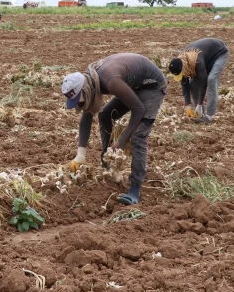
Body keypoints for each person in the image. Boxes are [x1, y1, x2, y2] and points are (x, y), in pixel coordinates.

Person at [61, 53, 167, 206]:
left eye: (78, 100)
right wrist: (80, 155)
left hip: (152, 86)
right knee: (105, 116)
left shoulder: (110, 81)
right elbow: (87, 113)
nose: (78, 105)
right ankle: (107, 165)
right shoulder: (90, 81)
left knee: (137, 136)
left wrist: (121, 142)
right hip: (133, 85)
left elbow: (138, 109)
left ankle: (135, 189)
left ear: (84, 89)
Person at [167, 38, 230, 124]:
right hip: (206, 58)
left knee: (211, 79)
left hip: (220, 53)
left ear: (183, 68)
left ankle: (209, 116)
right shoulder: (180, 62)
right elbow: (184, 83)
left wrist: (200, 104)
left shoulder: (196, 61)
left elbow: (203, 84)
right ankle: (200, 115)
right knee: (193, 84)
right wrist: (187, 105)